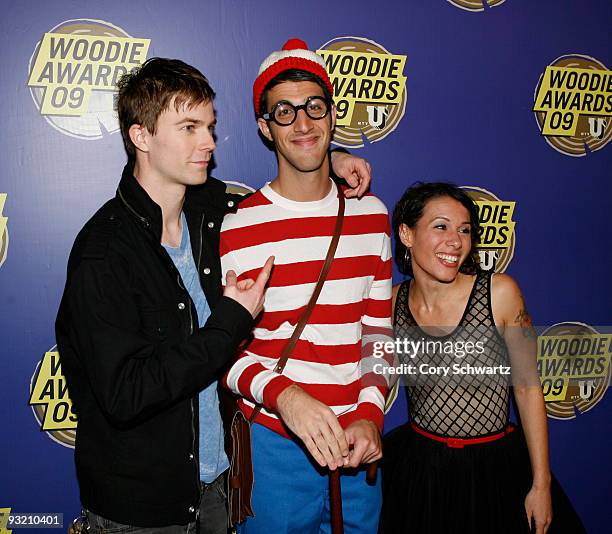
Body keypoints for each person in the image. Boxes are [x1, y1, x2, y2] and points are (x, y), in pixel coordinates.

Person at [55, 57, 372, 534]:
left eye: (209, 126)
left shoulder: (210, 210)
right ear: (141, 137)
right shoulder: (103, 253)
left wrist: (332, 157)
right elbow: (125, 394)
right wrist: (229, 322)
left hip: (220, 489)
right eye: (189, 128)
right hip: (142, 510)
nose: (208, 142)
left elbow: (296, 180)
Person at [220, 39, 393, 533]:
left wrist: (369, 415)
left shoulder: (370, 215)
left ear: (333, 115)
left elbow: (378, 335)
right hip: (276, 447)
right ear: (264, 126)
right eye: (285, 111)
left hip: (360, 449)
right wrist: (285, 396)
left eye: (314, 107)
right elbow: (224, 349)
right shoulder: (239, 225)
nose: (302, 123)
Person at [379, 182, 585, 534]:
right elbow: (375, 378)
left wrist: (541, 484)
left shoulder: (500, 293)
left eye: (464, 230)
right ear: (406, 234)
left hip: (495, 469)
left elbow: (528, 389)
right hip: (421, 470)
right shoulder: (392, 302)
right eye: (440, 226)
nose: (456, 242)